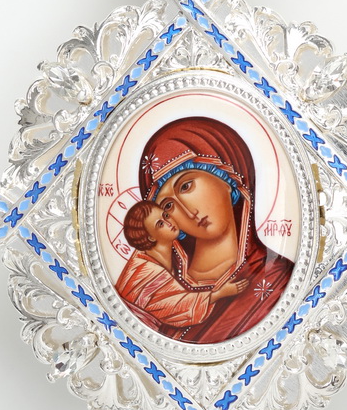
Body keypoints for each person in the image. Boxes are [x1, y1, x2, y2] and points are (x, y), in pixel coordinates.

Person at [116, 116, 294, 344]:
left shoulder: (277, 279)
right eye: (168, 206)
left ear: (228, 176)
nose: (187, 212)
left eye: (186, 186)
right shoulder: (147, 286)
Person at [115, 201, 249, 332]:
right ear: (150, 237)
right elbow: (175, 307)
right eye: (160, 224)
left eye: (166, 215)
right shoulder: (146, 271)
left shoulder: (176, 252)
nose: (169, 223)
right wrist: (219, 294)